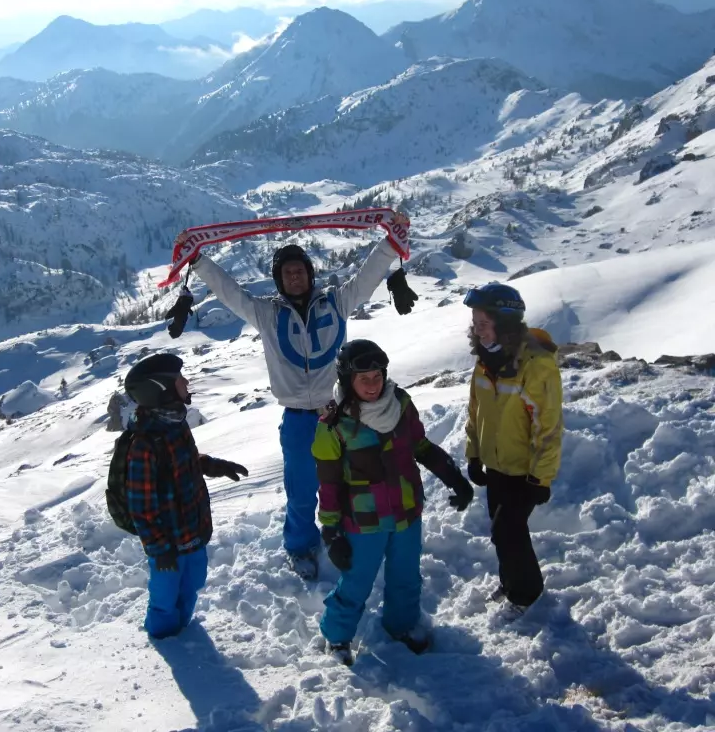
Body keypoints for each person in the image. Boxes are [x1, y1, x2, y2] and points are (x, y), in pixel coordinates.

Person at [187, 236, 401, 579]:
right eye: (287, 273)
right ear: (279, 279)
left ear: (309, 273)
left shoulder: (336, 303)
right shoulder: (267, 313)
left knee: (350, 482)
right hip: (299, 420)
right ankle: (301, 547)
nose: (294, 277)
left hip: (340, 414)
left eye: (299, 270)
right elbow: (231, 293)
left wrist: (390, 245)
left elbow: (365, 279)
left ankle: (353, 534)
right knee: (301, 490)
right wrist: (198, 262)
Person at [312, 339, 474, 665]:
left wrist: (453, 476)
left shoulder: (400, 405)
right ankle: (337, 635)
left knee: (406, 576)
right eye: (364, 379)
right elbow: (328, 485)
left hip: (406, 513)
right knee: (357, 582)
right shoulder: (333, 427)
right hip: (363, 522)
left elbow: (422, 447)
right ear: (347, 381)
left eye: (377, 376)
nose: (373, 385)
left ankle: (400, 625)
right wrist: (330, 531)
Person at [123, 353, 248, 639]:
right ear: (162, 389)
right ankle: (166, 641)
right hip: (168, 543)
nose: (187, 382)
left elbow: (184, 461)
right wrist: (158, 547)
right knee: (165, 597)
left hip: (193, 530)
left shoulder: (176, 423)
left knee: (192, 584)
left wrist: (213, 465)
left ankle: (184, 631)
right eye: (180, 379)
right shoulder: (144, 444)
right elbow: (141, 506)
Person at [463, 283, 563, 617]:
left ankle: (527, 595)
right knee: (502, 532)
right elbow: (476, 411)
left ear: (505, 323)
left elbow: (548, 427)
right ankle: (510, 582)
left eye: (484, 323)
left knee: (508, 531)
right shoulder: (486, 362)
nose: (477, 330)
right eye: (475, 323)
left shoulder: (535, 366)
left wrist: (541, 478)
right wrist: (474, 454)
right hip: (496, 466)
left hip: (524, 471)